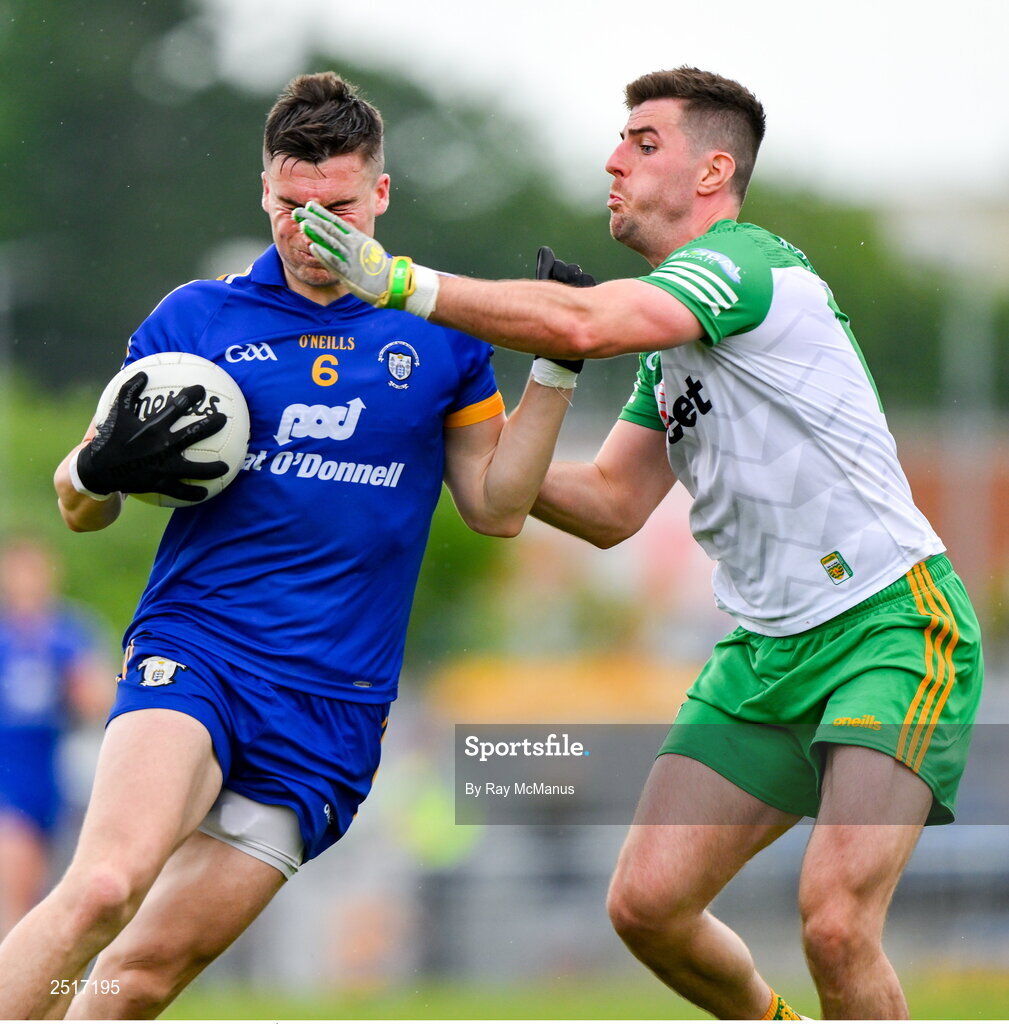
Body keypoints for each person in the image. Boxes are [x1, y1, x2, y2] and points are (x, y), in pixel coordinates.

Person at [296, 66, 984, 1020]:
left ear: (711, 171)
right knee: (647, 907)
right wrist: (463, 447)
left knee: (832, 921)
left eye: (642, 141)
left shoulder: (744, 264)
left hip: (889, 630)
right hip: (762, 654)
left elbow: (587, 320)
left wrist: (400, 283)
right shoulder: (672, 347)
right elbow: (612, 504)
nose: (613, 159)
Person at [0, 72, 578, 1019]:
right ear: (265, 191)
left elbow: (496, 507)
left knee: (136, 977)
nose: (313, 233)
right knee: (103, 890)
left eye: (338, 208)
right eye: (290, 207)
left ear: (380, 195)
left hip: (333, 711)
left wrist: (556, 366)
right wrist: (96, 467)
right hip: (201, 656)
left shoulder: (439, 337)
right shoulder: (195, 322)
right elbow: (80, 503)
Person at [0, 536, 111, 938]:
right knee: (16, 880)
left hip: (52, 773)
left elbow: (99, 701)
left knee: (45, 892)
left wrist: (81, 688)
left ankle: (37, 983)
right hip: (7, 773)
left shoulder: (68, 633)